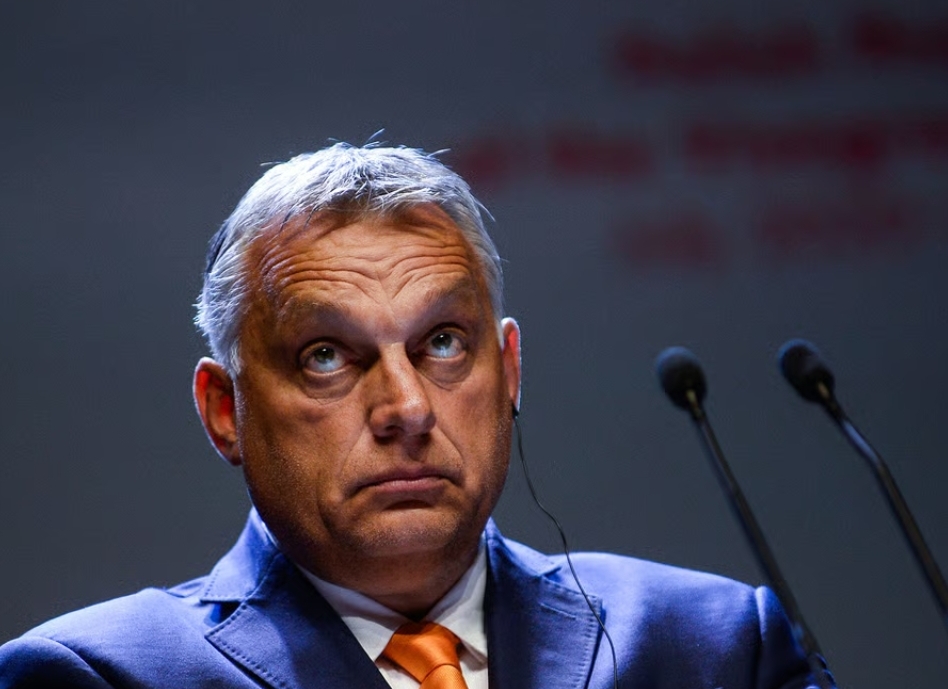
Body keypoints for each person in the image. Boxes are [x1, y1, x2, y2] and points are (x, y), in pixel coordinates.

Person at [0, 142, 833, 688]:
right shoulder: (96, 675)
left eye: (442, 342)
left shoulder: (713, 645)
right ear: (225, 411)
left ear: (509, 369)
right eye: (326, 355)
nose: (406, 408)